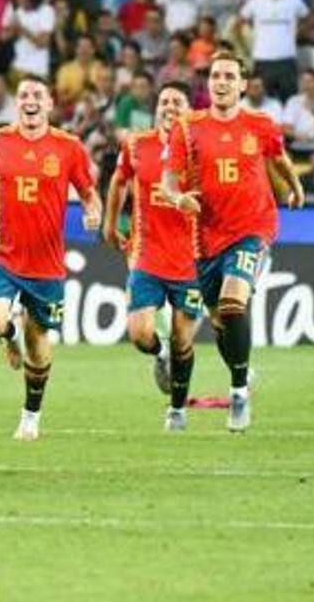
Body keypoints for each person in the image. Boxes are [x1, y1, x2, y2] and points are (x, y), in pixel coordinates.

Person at [0, 76, 102, 441]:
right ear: (16, 104)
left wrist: (92, 212)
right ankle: (7, 332)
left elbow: (89, 192)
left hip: (46, 263)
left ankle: (31, 415)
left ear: (50, 104)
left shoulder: (68, 147)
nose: (30, 101)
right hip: (1, 252)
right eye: (23, 96)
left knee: (38, 344)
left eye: (37, 96)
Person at [158, 52, 304, 432]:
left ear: (242, 84)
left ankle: (238, 393)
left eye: (229, 76)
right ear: (208, 85)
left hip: (253, 228)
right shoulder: (188, 128)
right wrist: (179, 199)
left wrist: (295, 186)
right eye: (215, 76)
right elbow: (168, 182)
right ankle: (243, 373)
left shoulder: (260, 124)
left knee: (233, 302)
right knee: (221, 322)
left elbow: (279, 158)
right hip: (206, 237)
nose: (221, 82)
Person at [103, 82, 205, 429]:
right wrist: (110, 224)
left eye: (177, 101)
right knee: (139, 332)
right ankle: (157, 354)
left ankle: (176, 409)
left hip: (190, 259)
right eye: (164, 101)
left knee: (183, 340)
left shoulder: (201, 150)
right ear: (156, 108)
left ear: (188, 110)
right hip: (147, 254)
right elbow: (118, 182)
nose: (170, 107)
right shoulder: (137, 144)